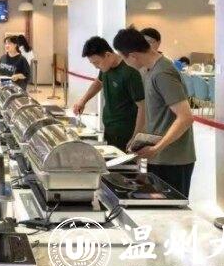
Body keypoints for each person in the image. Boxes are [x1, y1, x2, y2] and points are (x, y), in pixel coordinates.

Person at [113, 27, 195, 197]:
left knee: (171, 208)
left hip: (172, 160)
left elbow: (185, 117)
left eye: (123, 58)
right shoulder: (150, 70)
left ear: (133, 55)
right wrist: (139, 139)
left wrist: (158, 148)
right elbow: (156, 113)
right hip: (158, 156)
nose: (124, 63)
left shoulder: (163, 73)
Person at [72, 37, 145, 151]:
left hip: (126, 132)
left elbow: (143, 107)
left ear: (107, 55)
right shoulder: (105, 68)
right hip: (109, 128)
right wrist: (83, 100)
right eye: (92, 63)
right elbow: (98, 82)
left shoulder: (129, 73)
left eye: (96, 62)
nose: (96, 66)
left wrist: (136, 136)